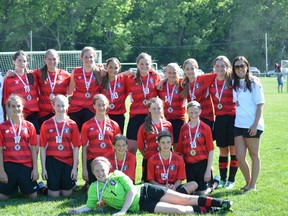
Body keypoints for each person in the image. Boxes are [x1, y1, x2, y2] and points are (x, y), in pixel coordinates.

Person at [68, 156, 232, 215]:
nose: (100, 173)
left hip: (146, 190)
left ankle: (220, 203)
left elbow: (132, 190)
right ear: (92, 172)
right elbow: (89, 206)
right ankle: (212, 209)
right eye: (96, 171)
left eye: (102, 169)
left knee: (185, 199)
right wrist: (77, 211)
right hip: (142, 205)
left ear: (108, 168)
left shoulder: (117, 174)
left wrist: (123, 211)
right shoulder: (94, 188)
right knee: (178, 210)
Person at [232, 56, 264, 192]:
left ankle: (253, 185)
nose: (240, 69)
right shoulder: (235, 83)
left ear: (247, 67)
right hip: (238, 124)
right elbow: (237, 102)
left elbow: (260, 105)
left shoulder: (254, 83)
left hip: (252, 125)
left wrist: (255, 125)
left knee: (253, 155)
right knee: (239, 156)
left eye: (242, 66)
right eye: (237, 67)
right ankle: (248, 182)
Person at [40, 94, 80, 197]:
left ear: (67, 106)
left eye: (63, 105)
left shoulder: (72, 124)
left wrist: (74, 168)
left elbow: (76, 147)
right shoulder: (46, 124)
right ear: (53, 106)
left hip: (67, 161)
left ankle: (68, 183)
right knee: (54, 195)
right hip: (52, 161)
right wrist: (44, 168)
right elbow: (43, 147)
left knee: (66, 194)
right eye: (58, 105)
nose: (60, 108)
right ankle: (42, 187)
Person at [0, 94, 38, 199]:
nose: (16, 109)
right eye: (13, 106)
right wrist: (1, 171)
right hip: (9, 165)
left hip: (25, 165)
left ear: (22, 107)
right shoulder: (2, 127)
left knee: (32, 196)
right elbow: (0, 151)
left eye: (18, 106)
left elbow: (33, 149)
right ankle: (13, 186)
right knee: (3, 197)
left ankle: (39, 186)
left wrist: (35, 169)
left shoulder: (29, 125)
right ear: (8, 108)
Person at [209, 56, 238, 189]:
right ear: (214, 67)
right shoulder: (211, 81)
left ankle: (231, 180)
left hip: (233, 118)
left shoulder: (232, 81)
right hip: (219, 119)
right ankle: (222, 179)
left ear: (227, 67)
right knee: (222, 151)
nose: (220, 68)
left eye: (223, 66)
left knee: (234, 151)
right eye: (218, 66)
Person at [81, 94, 121, 184]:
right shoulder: (87, 125)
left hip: (109, 160)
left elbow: (118, 147)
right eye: (99, 105)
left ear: (107, 106)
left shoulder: (114, 125)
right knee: (95, 190)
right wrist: (84, 170)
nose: (101, 107)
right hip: (93, 161)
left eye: (103, 105)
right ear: (94, 106)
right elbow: (84, 149)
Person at [126, 53, 161, 155]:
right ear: (137, 64)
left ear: (151, 65)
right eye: (141, 64)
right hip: (135, 116)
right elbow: (115, 77)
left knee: (153, 146)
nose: (144, 66)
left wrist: (163, 81)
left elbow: (169, 80)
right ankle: (130, 171)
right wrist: (126, 72)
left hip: (151, 115)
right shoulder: (130, 78)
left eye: (147, 64)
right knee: (131, 148)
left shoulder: (155, 76)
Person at [177, 101, 214, 195]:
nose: (193, 115)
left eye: (196, 112)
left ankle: (213, 184)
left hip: (202, 164)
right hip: (189, 165)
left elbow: (211, 150)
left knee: (202, 193)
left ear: (200, 112)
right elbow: (180, 151)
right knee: (192, 191)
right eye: (191, 112)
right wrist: (181, 171)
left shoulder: (205, 128)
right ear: (187, 112)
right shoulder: (184, 128)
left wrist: (207, 171)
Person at [137, 97, 173, 182]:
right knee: (147, 184)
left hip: (165, 159)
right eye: (153, 108)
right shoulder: (144, 126)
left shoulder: (168, 125)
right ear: (149, 109)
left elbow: (171, 142)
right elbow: (140, 145)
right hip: (150, 159)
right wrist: (148, 156)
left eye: (159, 108)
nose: (157, 110)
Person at [3, 50, 40, 134]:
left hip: (33, 113)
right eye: (19, 60)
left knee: (35, 139)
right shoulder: (8, 79)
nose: (22, 63)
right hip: (18, 114)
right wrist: (10, 119)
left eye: (24, 61)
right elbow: (6, 101)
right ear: (13, 61)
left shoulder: (33, 75)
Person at [68, 46, 102, 131]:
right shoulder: (76, 71)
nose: (88, 59)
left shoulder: (100, 71)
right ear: (81, 58)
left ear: (94, 57)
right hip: (75, 109)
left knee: (88, 136)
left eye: (91, 57)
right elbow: (70, 92)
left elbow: (114, 75)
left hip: (91, 109)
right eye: (86, 57)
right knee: (75, 136)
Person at [34, 49, 71, 127]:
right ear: (45, 60)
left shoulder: (66, 75)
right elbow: (24, 73)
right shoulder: (39, 73)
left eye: (54, 59)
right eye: (49, 59)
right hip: (43, 114)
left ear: (58, 59)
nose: (52, 61)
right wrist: (11, 72)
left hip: (60, 113)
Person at [181, 58, 216, 132]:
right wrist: (162, 81)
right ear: (184, 70)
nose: (190, 71)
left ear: (197, 68)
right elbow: (171, 79)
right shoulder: (184, 83)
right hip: (193, 117)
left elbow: (218, 74)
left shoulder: (203, 79)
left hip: (206, 117)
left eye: (192, 68)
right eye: (187, 69)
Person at [157, 63, 185, 150]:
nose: (172, 75)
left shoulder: (182, 84)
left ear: (179, 73)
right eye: (169, 73)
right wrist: (163, 81)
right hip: (164, 120)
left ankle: (178, 163)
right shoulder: (161, 85)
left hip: (178, 119)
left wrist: (164, 80)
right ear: (166, 73)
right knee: (165, 146)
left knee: (177, 146)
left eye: (174, 72)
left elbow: (189, 79)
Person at [100, 58, 127, 133]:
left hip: (119, 115)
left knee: (118, 140)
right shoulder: (101, 80)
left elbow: (137, 73)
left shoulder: (123, 79)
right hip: (105, 115)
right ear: (106, 68)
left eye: (116, 68)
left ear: (119, 68)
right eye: (110, 67)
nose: (113, 70)